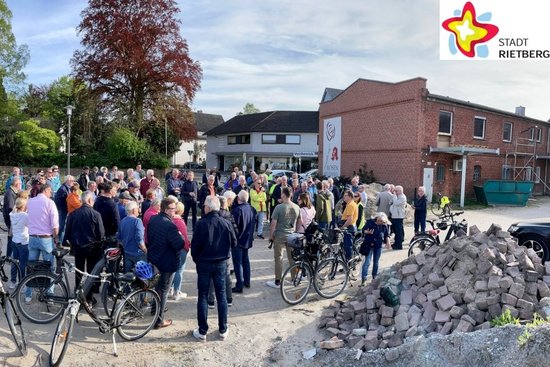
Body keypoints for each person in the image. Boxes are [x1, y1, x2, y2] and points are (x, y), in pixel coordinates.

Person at [191, 196, 236, 342]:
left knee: (204, 295)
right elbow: (234, 242)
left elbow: (195, 247)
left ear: (209, 208)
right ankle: (222, 329)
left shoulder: (201, 224)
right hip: (219, 262)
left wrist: (198, 260)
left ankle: (203, 330)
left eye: (204, 205)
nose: (203, 207)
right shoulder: (225, 222)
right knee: (220, 295)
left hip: (206, 263)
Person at [147, 196, 185, 329]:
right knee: (163, 290)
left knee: (157, 287)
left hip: (155, 258)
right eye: (173, 209)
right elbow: (179, 244)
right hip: (167, 262)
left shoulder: (154, 219)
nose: (175, 211)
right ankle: (159, 320)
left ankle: (154, 309)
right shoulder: (170, 225)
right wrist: (180, 234)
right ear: (166, 209)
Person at [63, 192, 105, 296]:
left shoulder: (73, 214)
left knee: (79, 271)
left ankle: (78, 292)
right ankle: (88, 296)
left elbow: (67, 231)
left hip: (78, 247)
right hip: (92, 247)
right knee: (91, 272)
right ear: (90, 201)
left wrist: (68, 242)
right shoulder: (96, 214)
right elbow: (101, 233)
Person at [25, 183, 59, 302]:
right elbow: (55, 225)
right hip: (46, 238)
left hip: (33, 237)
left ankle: (27, 294)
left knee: (31, 267)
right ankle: (49, 294)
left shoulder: (30, 201)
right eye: (51, 192)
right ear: (47, 190)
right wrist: (56, 238)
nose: (51, 194)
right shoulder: (50, 203)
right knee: (50, 268)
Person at [267, 186, 300, 289]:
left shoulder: (279, 207)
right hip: (292, 235)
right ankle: (294, 279)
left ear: (284, 195)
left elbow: (273, 223)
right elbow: (300, 221)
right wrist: (296, 232)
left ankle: (278, 281)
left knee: (279, 258)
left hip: (280, 235)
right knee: (292, 258)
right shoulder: (296, 207)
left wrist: (271, 235)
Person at [231, 190, 256, 293]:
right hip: (247, 239)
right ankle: (247, 281)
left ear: (238, 198)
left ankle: (239, 285)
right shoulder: (252, 209)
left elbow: (233, 226)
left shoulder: (237, 210)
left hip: (238, 240)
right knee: (245, 260)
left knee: (238, 263)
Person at [360, 212, 391, 286]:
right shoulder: (370, 222)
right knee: (367, 262)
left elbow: (387, 234)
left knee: (376, 262)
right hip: (369, 244)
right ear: (377, 218)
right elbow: (363, 230)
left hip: (378, 245)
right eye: (379, 221)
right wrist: (367, 232)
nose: (380, 223)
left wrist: (388, 242)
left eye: (382, 222)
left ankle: (375, 277)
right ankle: (364, 279)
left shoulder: (384, 225)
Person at [169, 201, 191, 301]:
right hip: (181, 249)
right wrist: (187, 247)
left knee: (173, 270)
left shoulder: (170, 220)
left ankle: (170, 289)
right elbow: (184, 237)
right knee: (179, 270)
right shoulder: (180, 222)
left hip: (172, 249)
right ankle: (176, 291)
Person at [117, 201, 147, 272]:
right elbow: (139, 238)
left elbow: (119, 239)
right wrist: (145, 249)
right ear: (133, 210)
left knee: (127, 276)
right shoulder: (137, 221)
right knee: (142, 277)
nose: (139, 210)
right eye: (137, 208)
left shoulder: (122, 221)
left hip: (127, 252)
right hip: (138, 253)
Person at [9, 197, 29, 288]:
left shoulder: (12, 214)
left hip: (15, 240)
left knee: (14, 261)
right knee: (23, 264)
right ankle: (22, 282)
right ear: (23, 205)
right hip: (23, 241)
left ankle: (13, 281)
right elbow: (29, 226)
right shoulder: (25, 215)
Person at [3, 176, 21, 261]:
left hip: (10, 218)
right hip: (10, 219)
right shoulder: (10, 193)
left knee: (11, 238)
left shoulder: (12, 191)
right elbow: (10, 208)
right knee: (11, 238)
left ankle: (8, 256)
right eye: (20, 183)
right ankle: (8, 256)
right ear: (16, 184)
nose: (21, 185)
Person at [54, 175, 75, 241]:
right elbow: (58, 200)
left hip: (64, 210)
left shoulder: (66, 188)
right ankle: (59, 241)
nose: (73, 182)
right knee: (61, 226)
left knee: (63, 226)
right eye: (72, 181)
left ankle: (61, 240)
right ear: (67, 181)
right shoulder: (63, 189)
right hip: (62, 210)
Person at [340, 190, 359, 261]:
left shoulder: (350, 205)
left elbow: (350, 219)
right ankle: (350, 264)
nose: (344, 197)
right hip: (352, 227)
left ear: (350, 197)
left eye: (345, 196)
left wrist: (342, 227)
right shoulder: (352, 204)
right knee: (350, 247)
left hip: (349, 228)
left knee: (348, 248)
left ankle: (348, 265)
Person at [389, 185, 407, 250]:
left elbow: (396, 203)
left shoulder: (402, 197)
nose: (395, 192)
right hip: (394, 216)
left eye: (396, 191)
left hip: (398, 216)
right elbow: (391, 202)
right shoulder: (396, 196)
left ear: (400, 191)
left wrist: (394, 196)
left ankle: (399, 245)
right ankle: (396, 243)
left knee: (398, 231)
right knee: (396, 231)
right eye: (394, 190)